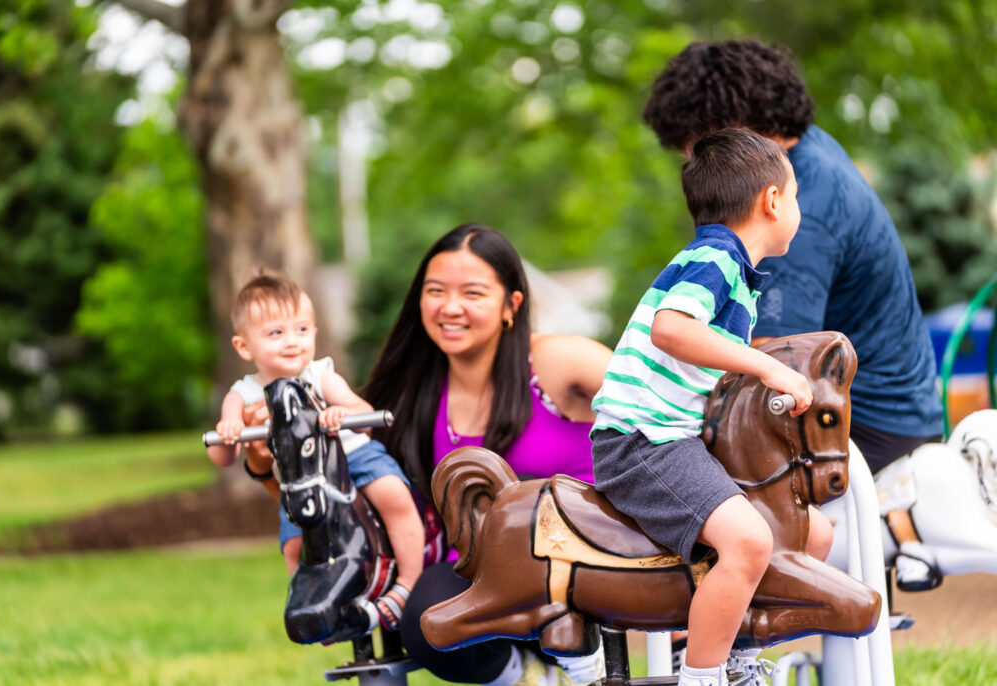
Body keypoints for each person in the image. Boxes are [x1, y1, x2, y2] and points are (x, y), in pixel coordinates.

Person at [642, 39, 945, 591]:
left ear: (731, 124)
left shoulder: (791, 212)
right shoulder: (804, 160)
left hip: (867, 419)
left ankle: (707, 629)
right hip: (884, 402)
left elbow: (775, 351)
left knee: (675, 458)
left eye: (695, 143)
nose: (692, 161)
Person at [591, 128, 833, 686]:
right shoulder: (716, 258)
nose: (797, 208)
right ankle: (704, 677)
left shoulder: (732, 272)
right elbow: (672, 328)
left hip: (678, 438)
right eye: (795, 196)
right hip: (642, 441)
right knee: (749, 539)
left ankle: (742, 656)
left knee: (811, 533)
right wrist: (769, 366)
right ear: (773, 201)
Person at [362, 224, 613, 686]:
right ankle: (533, 681)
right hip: (490, 586)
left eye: (472, 293)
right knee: (427, 616)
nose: (450, 307)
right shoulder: (413, 392)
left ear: (511, 305)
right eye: (435, 291)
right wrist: (262, 460)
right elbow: (351, 474)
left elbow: (660, 402)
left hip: (588, 572)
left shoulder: (557, 363)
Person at [205, 273, 424, 630]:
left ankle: (408, 583)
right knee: (294, 544)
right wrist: (228, 432)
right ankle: (313, 610)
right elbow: (222, 457)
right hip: (301, 480)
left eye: (302, 329)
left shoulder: (321, 375)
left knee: (395, 497)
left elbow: (363, 414)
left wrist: (343, 414)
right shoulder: (243, 393)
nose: (292, 342)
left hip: (353, 458)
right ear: (244, 347)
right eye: (276, 333)